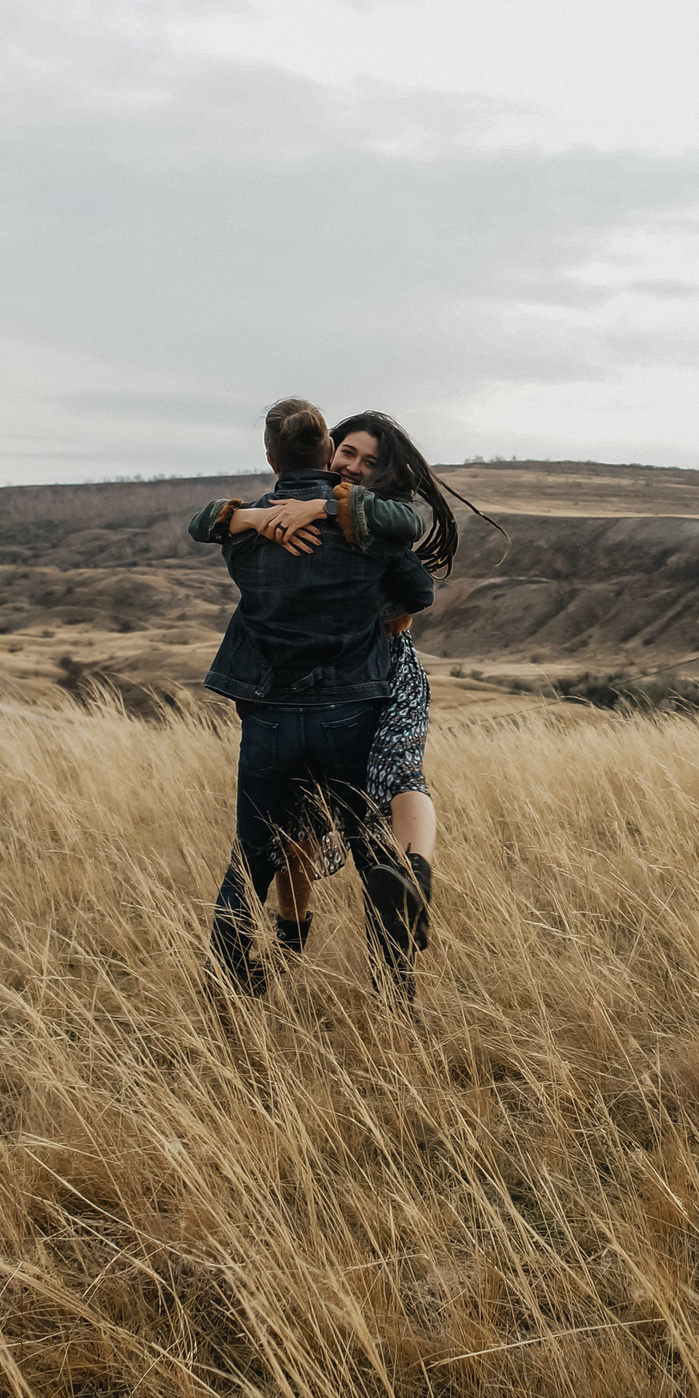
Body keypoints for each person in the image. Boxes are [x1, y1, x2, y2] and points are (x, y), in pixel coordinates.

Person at [186, 399, 436, 1001]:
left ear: (270, 459)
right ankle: (393, 988)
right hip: (351, 711)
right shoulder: (360, 523)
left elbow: (204, 523)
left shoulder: (245, 530)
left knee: (252, 857)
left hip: (269, 717)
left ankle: (232, 985)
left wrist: (246, 518)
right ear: (329, 451)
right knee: (371, 853)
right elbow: (418, 590)